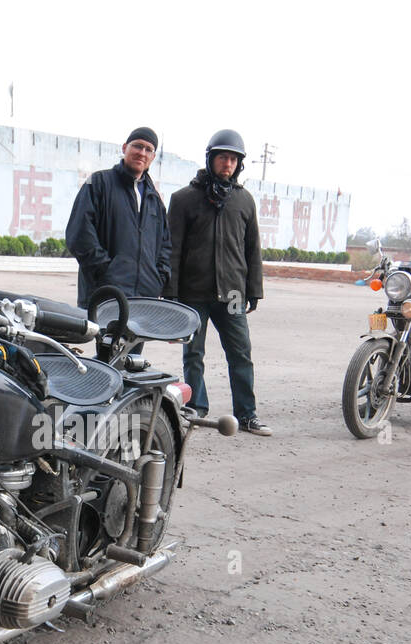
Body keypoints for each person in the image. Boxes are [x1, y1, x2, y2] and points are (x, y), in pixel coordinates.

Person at [164, 129, 270, 436]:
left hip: (234, 292)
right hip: (192, 294)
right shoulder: (184, 199)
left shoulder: (244, 201)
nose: (228, 164)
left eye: (234, 159)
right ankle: (196, 409)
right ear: (211, 159)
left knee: (241, 353)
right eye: (223, 157)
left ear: (239, 164)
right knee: (193, 354)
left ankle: (247, 414)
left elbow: (252, 249)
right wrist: (170, 294)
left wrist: (254, 290)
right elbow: (173, 249)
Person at [66, 126, 171, 311]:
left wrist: (158, 278)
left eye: (149, 150)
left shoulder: (154, 198)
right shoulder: (98, 183)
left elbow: (165, 245)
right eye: (137, 146)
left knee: (135, 341)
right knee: (106, 340)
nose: (142, 153)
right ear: (124, 148)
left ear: (153, 157)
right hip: (106, 294)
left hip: (144, 297)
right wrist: (106, 271)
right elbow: (79, 233)